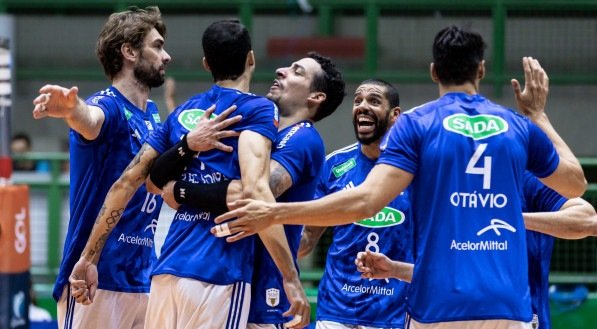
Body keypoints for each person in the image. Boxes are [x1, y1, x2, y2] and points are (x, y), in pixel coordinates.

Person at [213, 26, 587, 329]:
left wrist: (275, 213)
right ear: (482, 70)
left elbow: (365, 201)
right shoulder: (515, 127)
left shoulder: (419, 125)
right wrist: (538, 115)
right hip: (508, 304)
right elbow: (575, 184)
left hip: (438, 304)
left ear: (434, 72)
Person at [67, 19, 310, 329]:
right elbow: (255, 191)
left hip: (167, 270)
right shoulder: (259, 109)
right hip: (219, 271)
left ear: (206, 64)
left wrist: (88, 257)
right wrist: (290, 278)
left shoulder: (183, 111)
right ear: (251, 58)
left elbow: (137, 182)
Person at [157, 52, 346, 329]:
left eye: (297, 71)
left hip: (267, 300)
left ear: (315, 97)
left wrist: (180, 191)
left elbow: (253, 194)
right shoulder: (261, 133)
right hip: (234, 282)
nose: (281, 70)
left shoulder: (302, 137)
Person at [31, 6, 171, 329]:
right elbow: (89, 119)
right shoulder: (106, 105)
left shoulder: (152, 114)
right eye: (158, 45)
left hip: (141, 278)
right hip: (93, 281)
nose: (167, 56)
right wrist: (71, 110)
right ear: (129, 51)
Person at [355, 172, 597, 329]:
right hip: (451, 318)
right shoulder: (448, 192)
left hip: (520, 318)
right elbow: (450, 275)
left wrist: (507, 218)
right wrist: (396, 269)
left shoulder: (525, 180)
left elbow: (588, 221)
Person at [298, 79, 411, 329]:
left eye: (373, 100)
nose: (362, 106)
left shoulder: (415, 171)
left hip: (394, 313)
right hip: (336, 310)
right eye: (358, 100)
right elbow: (307, 238)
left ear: (395, 115)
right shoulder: (334, 166)